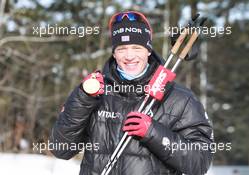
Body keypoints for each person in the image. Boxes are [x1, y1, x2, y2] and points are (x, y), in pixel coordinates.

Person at [49, 11, 213, 175]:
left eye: (136, 48)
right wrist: (82, 99)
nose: (129, 56)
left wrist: (152, 133)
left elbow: (199, 161)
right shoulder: (95, 92)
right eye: (122, 49)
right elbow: (61, 149)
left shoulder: (180, 98)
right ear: (114, 53)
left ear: (148, 51)